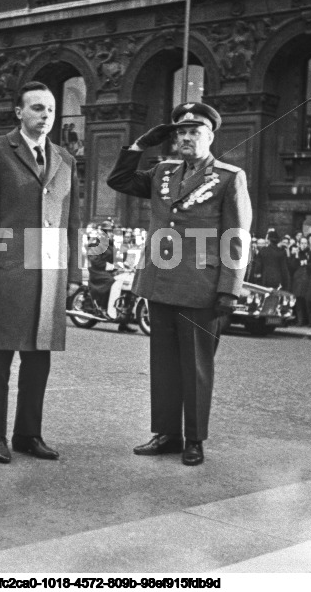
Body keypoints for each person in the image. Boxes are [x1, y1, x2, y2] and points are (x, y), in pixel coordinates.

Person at [107, 102, 252, 466]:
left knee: (197, 367)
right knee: (164, 363)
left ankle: (195, 439)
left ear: (210, 135)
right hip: (160, 282)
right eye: (181, 132)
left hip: (201, 287)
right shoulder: (163, 172)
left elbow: (236, 236)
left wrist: (229, 289)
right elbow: (119, 180)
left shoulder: (228, 176)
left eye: (194, 131)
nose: (187, 138)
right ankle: (167, 433)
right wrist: (140, 145)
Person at [0, 81, 81, 465]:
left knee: (39, 359)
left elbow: (73, 221)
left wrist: (75, 274)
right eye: (36, 108)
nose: (45, 115)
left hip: (49, 275)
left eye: (50, 109)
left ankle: (28, 433)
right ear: (19, 112)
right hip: (7, 272)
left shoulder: (65, 160)